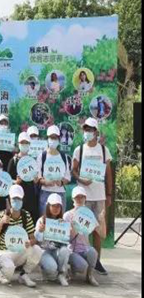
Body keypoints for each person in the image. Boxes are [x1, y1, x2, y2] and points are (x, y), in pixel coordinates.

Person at [71, 117, 113, 275]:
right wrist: (82, 180)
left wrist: (109, 194)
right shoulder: (79, 150)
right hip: (83, 197)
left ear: (96, 132)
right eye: (85, 129)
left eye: (90, 129)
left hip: (99, 196)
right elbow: (74, 170)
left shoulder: (103, 150)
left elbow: (108, 173)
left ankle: (97, 262)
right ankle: (81, 260)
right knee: (82, 230)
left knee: (98, 230)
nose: (87, 132)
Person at [0, 184, 42, 288]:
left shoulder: (26, 215)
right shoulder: (2, 214)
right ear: (10, 200)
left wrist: (30, 242)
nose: (16, 201)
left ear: (22, 200)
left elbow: (33, 238)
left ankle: (24, 275)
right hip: (3, 251)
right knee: (8, 272)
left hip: (19, 250)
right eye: (14, 199)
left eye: (19, 199)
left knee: (37, 250)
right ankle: (1, 269)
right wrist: (1, 222)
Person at [64, 186, 105, 286]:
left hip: (85, 249)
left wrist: (102, 220)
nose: (79, 199)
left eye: (82, 197)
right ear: (73, 199)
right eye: (77, 197)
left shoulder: (89, 215)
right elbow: (65, 239)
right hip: (72, 250)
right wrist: (73, 227)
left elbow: (102, 235)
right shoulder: (67, 215)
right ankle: (71, 270)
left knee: (93, 252)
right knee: (82, 266)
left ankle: (90, 276)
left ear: (85, 199)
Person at [35, 193, 70, 287]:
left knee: (65, 250)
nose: (56, 208)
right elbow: (37, 239)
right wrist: (40, 231)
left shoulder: (63, 222)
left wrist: (66, 233)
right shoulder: (41, 220)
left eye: (58, 206)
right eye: (53, 206)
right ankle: (49, 272)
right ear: (48, 206)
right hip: (44, 251)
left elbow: (66, 243)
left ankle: (62, 274)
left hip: (56, 251)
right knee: (51, 268)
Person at [37, 125, 71, 216]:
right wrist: (45, 182)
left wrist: (62, 182)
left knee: (59, 220)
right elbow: (38, 176)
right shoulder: (42, 156)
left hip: (60, 193)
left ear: (59, 139)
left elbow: (67, 176)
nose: (53, 140)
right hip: (45, 192)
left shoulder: (63, 156)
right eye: (51, 137)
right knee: (44, 219)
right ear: (47, 139)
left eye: (55, 137)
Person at [8, 132, 39, 218]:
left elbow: (36, 179)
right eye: (22, 143)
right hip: (17, 196)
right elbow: (8, 180)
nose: (24, 145)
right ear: (18, 144)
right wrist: (16, 182)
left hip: (30, 196)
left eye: (26, 143)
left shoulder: (32, 161)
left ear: (29, 144)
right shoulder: (13, 161)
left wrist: (36, 180)